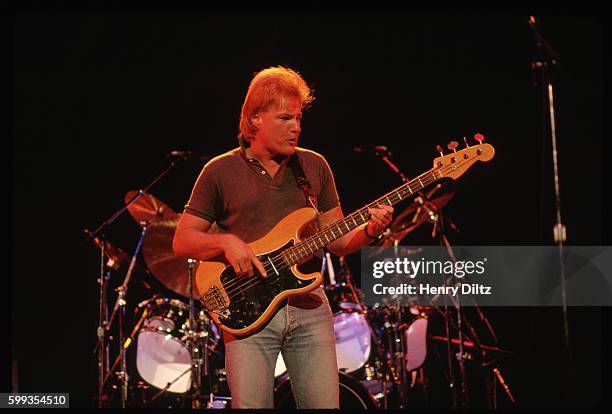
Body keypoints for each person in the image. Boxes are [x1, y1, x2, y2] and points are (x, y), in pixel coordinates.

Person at [172, 66, 393, 409]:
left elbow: (337, 242)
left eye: (299, 119)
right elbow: (182, 241)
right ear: (256, 118)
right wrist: (225, 243)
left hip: (309, 306)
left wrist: (370, 230)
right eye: (286, 118)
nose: (296, 127)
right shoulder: (219, 171)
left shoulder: (314, 167)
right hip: (247, 311)